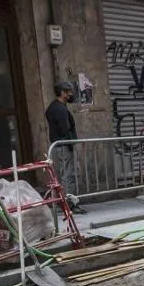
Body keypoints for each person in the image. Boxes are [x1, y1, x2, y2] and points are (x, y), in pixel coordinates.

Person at [45, 81, 83, 212]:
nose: (71, 94)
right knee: (68, 175)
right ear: (62, 93)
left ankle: (66, 202)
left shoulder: (54, 107)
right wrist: (70, 141)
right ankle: (69, 204)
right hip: (63, 145)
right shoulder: (60, 108)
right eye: (68, 92)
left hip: (60, 144)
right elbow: (65, 128)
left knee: (65, 174)